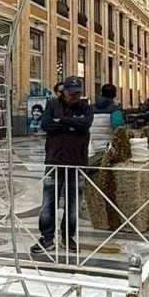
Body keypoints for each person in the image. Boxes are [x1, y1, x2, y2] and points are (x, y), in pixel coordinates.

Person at [32, 76, 93, 256]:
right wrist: (72, 126)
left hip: (77, 162)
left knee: (73, 202)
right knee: (48, 201)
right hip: (54, 160)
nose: (75, 96)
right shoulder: (52, 105)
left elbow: (85, 124)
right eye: (71, 93)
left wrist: (62, 121)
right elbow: (46, 124)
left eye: (78, 93)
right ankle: (47, 237)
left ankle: (68, 236)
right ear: (63, 91)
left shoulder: (85, 107)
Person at [89, 83, 124, 161]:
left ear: (101, 93)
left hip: (91, 149)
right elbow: (119, 131)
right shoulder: (115, 110)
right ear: (115, 95)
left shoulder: (90, 108)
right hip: (108, 150)